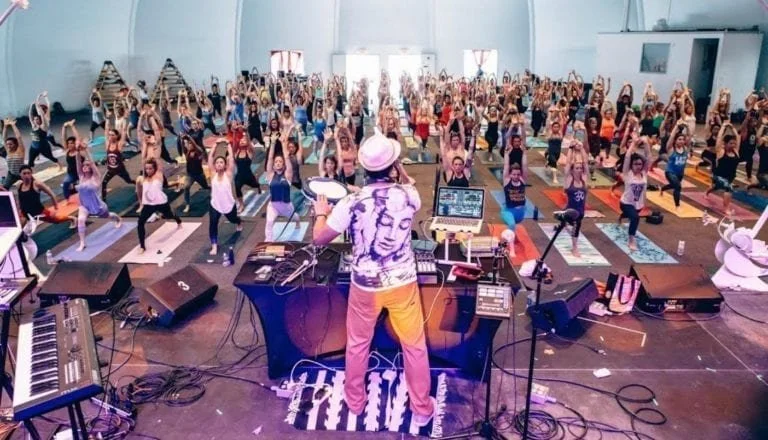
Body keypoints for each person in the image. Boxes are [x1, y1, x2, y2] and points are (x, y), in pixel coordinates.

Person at [309, 132, 436, 427]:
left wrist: (320, 213)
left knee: (357, 343)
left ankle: (355, 402)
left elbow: (319, 238)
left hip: (365, 287)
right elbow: (409, 184)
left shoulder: (352, 202)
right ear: (392, 166)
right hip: (403, 284)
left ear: (365, 169)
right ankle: (421, 407)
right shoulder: (409, 196)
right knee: (414, 345)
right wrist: (401, 169)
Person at [136, 127, 183, 253]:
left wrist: (152, 121)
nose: (148, 171)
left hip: (161, 203)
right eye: (147, 169)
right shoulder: (145, 176)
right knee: (140, 223)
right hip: (148, 205)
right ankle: (142, 246)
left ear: (155, 168)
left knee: (169, 216)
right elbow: (142, 158)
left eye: (150, 169)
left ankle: (177, 219)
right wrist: (145, 144)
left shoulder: (158, 174)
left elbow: (158, 147)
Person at [74, 147, 122, 251]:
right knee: (81, 220)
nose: (85, 166)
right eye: (84, 165)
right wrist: (77, 151)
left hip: (97, 205)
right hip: (84, 206)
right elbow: (78, 162)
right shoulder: (81, 176)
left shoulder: (95, 177)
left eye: (87, 165)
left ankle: (118, 218)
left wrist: (86, 150)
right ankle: (82, 242)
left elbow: (92, 163)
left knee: (108, 216)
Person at [264, 128, 299, 242]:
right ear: (273, 165)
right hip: (273, 205)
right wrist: (273, 143)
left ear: (283, 165)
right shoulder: (270, 175)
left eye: (280, 162)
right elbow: (269, 158)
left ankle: (297, 222)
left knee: (295, 217)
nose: (278, 163)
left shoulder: (288, 175)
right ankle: (269, 241)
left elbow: (287, 159)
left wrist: (284, 144)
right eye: (276, 162)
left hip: (286, 205)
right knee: (269, 222)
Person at [208, 141, 242, 255]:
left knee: (233, 219)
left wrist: (228, 145)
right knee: (213, 223)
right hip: (215, 205)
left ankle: (239, 222)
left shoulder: (229, 174)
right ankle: (214, 246)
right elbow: (210, 158)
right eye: (217, 162)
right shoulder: (213, 174)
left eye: (221, 162)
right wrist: (215, 145)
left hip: (228, 204)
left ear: (225, 165)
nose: (218, 164)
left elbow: (231, 158)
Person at [619, 136, 651, 251]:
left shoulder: (644, 173)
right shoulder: (628, 173)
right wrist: (633, 143)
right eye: (636, 164)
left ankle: (623, 216)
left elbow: (648, 158)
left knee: (633, 216)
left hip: (638, 204)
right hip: (626, 202)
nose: (638, 166)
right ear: (632, 165)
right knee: (635, 218)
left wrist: (646, 143)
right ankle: (631, 240)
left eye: (640, 164)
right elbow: (627, 157)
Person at [706, 123, 741, 215]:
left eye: (734, 143)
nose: (733, 145)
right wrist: (723, 127)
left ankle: (708, 190)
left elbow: (737, 137)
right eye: (730, 143)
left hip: (730, 177)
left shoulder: (736, 151)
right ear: (725, 144)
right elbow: (718, 139)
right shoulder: (721, 151)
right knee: (729, 188)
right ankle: (726, 209)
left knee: (717, 187)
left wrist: (733, 127)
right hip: (718, 176)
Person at [101, 116, 136, 201]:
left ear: (117, 136)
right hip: (110, 170)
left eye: (112, 135)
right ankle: (103, 201)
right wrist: (108, 119)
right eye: (110, 135)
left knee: (128, 181)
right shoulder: (107, 144)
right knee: (103, 183)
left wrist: (124, 120)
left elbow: (124, 131)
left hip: (120, 169)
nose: (110, 136)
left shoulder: (119, 145)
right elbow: (106, 130)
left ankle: (138, 183)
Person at [659, 121, 690, 211]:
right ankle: (677, 206)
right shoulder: (671, 149)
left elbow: (689, 136)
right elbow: (671, 137)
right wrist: (676, 126)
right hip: (670, 172)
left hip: (680, 173)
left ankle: (663, 188)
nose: (681, 141)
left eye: (682, 139)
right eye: (679, 139)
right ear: (675, 140)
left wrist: (687, 127)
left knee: (674, 185)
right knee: (678, 187)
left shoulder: (685, 149)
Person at [28, 97, 62, 169]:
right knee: (30, 162)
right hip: (33, 147)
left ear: (40, 120)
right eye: (34, 119)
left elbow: (43, 116)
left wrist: (39, 107)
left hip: (44, 147)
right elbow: (30, 116)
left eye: (37, 119)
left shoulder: (43, 127)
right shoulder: (34, 126)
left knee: (51, 157)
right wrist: (31, 106)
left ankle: (59, 165)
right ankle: (29, 172)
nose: (35, 120)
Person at [564, 156, 587, 257]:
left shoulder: (584, 180)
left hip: (581, 211)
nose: (579, 170)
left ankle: (563, 222)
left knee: (575, 222)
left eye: (580, 168)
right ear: (572, 170)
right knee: (576, 226)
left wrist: (581, 148)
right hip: (571, 211)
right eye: (577, 168)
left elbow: (586, 163)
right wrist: (570, 148)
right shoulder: (569, 180)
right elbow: (568, 164)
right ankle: (575, 248)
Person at [181, 135, 210, 213]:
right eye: (188, 144)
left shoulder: (199, 151)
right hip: (190, 175)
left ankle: (214, 194)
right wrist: (182, 138)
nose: (188, 145)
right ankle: (187, 204)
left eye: (190, 144)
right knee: (186, 187)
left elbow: (195, 146)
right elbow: (183, 146)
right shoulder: (187, 152)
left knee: (206, 187)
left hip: (199, 175)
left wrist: (189, 138)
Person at [501, 146, 528, 229]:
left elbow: (524, 166)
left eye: (518, 174)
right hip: (508, 211)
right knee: (512, 225)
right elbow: (506, 166)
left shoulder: (522, 180)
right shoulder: (507, 181)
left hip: (520, 213)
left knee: (513, 226)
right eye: (514, 174)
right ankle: (509, 241)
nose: (516, 176)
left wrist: (524, 153)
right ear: (510, 175)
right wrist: (506, 154)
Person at [60, 120, 86, 201]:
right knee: (65, 183)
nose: (70, 145)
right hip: (71, 174)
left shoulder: (79, 151)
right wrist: (64, 127)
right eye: (69, 143)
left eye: (72, 143)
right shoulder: (67, 151)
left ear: (75, 144)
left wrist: (72, 126)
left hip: (82, 173)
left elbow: (78, 139)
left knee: (84, 188)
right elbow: (63, 138)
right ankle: (67, 199)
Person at [2, 118, 26, 188]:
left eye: (10, 144)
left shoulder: (20, 150)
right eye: (7, 144)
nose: (8, 146)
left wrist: (13, 125)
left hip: (22, 173)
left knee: (34, 185)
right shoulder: (8, 150)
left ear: (15, 144)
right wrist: (5, 126)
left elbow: (19, 137)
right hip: (11, 174)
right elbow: (4, 138)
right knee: (4, 188)